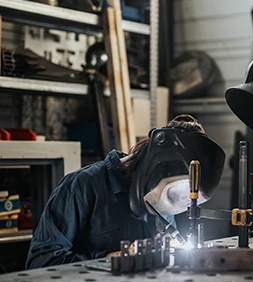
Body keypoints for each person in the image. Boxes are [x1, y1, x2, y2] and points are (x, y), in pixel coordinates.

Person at [26, 115, 225, 269]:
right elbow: (40, 262)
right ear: (155, 166)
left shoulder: (164, 195)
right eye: (172, 196)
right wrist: (108, 260)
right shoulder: (82, 186)